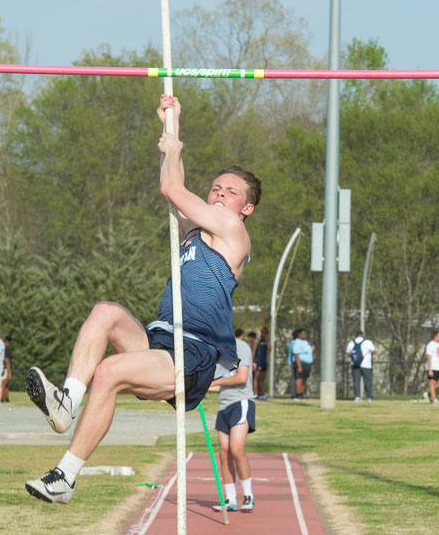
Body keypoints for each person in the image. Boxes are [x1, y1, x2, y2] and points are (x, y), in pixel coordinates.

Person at [23, 93, 261, 504]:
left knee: (110, 372)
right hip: (161, 340)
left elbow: (171, 184)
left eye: (231, 193)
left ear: (247, 209)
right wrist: (172, 124)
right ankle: (66, 405)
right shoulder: (197, 229)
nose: (220, 195)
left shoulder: (230, 229)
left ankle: (65, 476)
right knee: (105, 313)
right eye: (216, 188)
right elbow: (175, 189)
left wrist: (174, 146)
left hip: (194, 351)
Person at [210, 329, 257, 513]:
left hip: (241, 402)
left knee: (236, 449)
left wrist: (216, 382)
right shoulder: (217, 353)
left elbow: (241, 377)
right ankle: (229, 499)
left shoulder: (241, 347)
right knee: (223, 452)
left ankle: (248, 496)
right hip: (224, 406)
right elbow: (217, 386)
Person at [346, 330, 376, 402]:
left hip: (355, 365)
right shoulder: (368, 342)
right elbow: (374, 351)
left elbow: (348, 353)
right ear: (362, 335)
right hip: (366, 365)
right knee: (367, 381)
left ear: (356, 335)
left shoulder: (351, 343)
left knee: (356, 381)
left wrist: (355, 358)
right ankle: (369, 397)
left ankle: (357, 397)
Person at [288, 328, 314, 400]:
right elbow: (296, 354)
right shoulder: (297, 342)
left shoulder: (305, 342)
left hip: (307, 363)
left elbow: (306, 351)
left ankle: (301, 394)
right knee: (299, 378)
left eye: (305, 333)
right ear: (299, 335)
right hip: (300, 363)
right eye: (303, 333)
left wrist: (311, 349)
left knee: (304, 379)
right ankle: (297, 394)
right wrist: (299, 366)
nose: (305, 335)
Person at [424, 331, 439, 404]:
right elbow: (429, 357)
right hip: (433, 367)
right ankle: (433, 399)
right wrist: (430, 369)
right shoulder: (430, 345)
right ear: (435, 336)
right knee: (432, 383)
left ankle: (429, 393)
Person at [252, 327, 269, 400]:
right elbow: (253, 351)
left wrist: (266, 341)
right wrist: (252, 361)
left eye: (265, 333)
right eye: (262, 332)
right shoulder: (257, 340)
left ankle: (262, 394)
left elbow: (270, 348)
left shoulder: (266, 341)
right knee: (256, 378)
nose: (263, 334)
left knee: (262, 379)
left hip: (264, 362)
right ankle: (255, 394)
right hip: (257, 361)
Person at [1, 336, 13, 404]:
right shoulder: (6, 349)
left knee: (6, 384)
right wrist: (9, 372)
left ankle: (6, 398)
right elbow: (7, 360)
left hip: (4, 368)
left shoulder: (2, 347)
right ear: (10, 342)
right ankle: (1, 398)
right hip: (5, 368)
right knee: (4, 383)